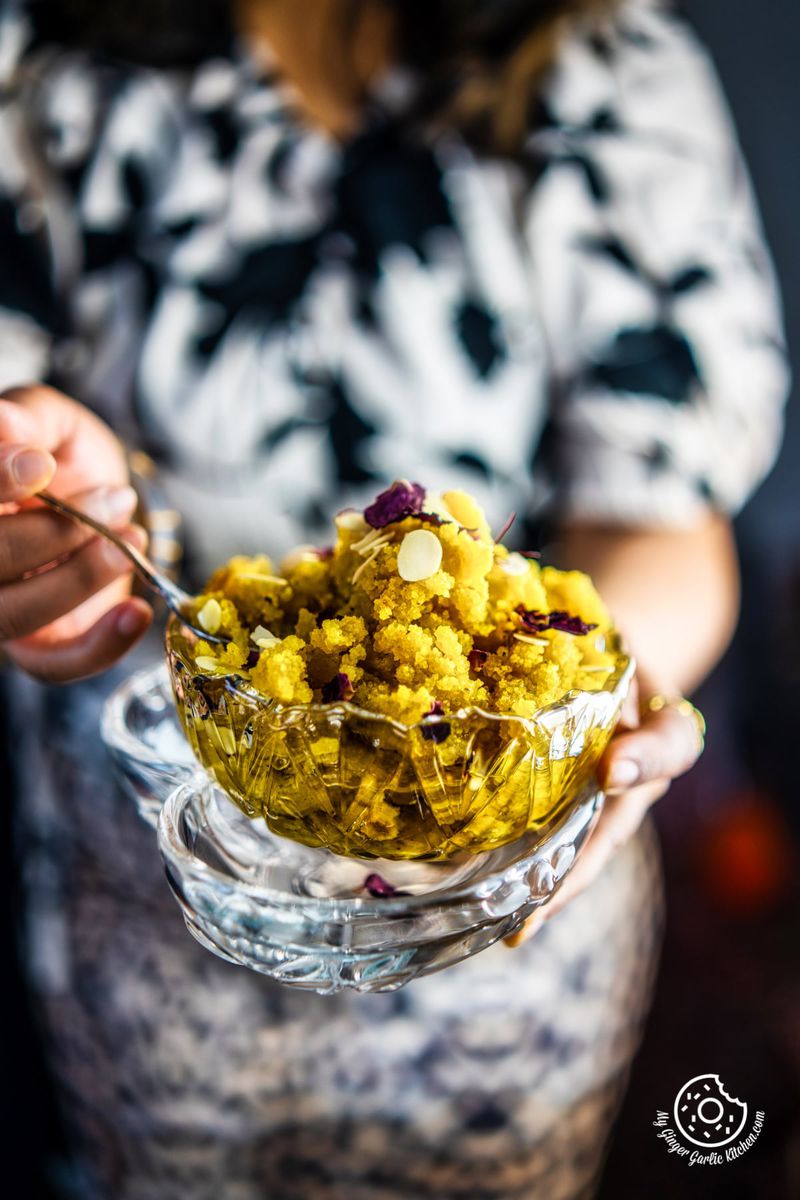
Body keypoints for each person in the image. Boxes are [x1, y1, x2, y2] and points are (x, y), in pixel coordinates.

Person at [0, 0, 787, 1196]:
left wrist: (611, 686)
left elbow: (664, 525)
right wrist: (46, 490)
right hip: (149, 899)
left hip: (501, 920)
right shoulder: (37, 62)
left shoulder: (605, 65)